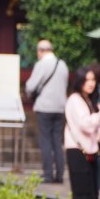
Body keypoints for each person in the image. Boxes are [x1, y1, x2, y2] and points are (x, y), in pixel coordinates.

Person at [64, 65, 100, 199]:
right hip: (77, 151)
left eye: (93, 80)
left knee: (92, 195)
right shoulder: (75, 100)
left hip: (89, 152)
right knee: (82, 195)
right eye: (87, 80)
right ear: (79, 81)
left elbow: (95, 130)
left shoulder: (87, 100)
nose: (91, 83)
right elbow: (86, 125)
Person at [25, 39, 68, 183]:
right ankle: (60, 174)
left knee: (46, 140)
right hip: (60, 107)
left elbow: (31, 86)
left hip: (45, 107)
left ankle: (48, 174)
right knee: (57, 140)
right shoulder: (62, 64)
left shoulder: (41, 64)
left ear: (41, 50)